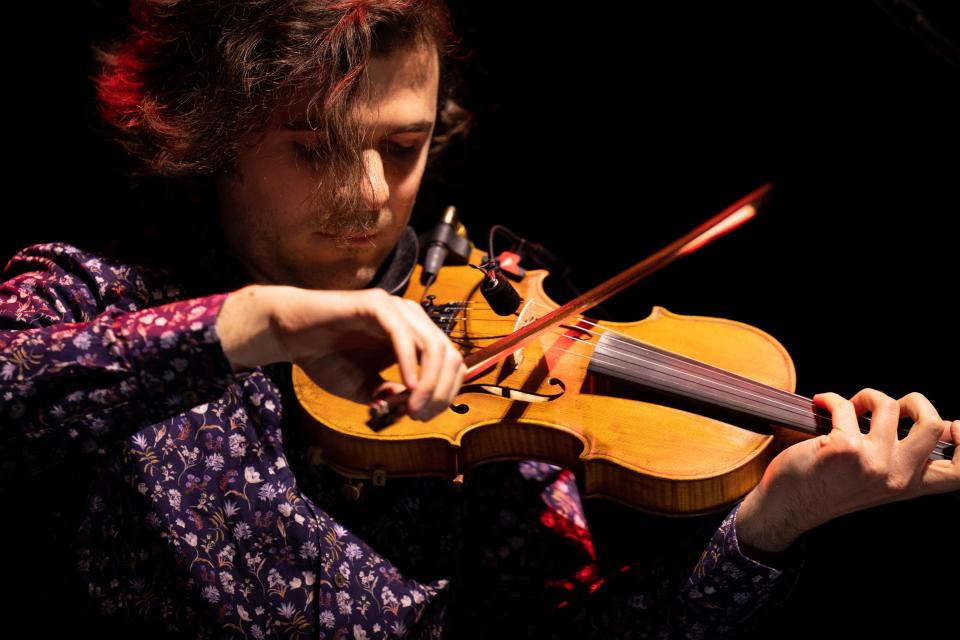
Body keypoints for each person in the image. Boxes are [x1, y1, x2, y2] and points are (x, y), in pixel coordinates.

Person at [1, 1, 957, 638]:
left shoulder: (500, 338)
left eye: (401, 145)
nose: (369, 192)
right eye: (311, 147)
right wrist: (258, 322)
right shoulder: (95, 293)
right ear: (209, 128)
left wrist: (769, 522)